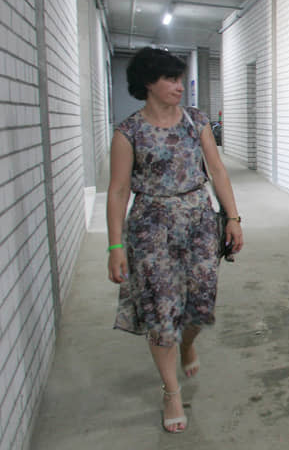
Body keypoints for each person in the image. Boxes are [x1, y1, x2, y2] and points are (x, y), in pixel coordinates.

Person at [106, 47, 243, 433]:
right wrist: (115, 246)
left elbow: (217, 170)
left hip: (199, 222)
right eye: (170, 79)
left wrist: (232, 218)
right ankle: (171, 392)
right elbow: (117, 192)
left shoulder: (196, 122)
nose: (179, 87)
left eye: (180, 79)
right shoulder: (128, 132)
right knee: (161, 311)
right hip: (150, 229)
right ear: (148, 83)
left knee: (201, 304)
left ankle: (188, 342)